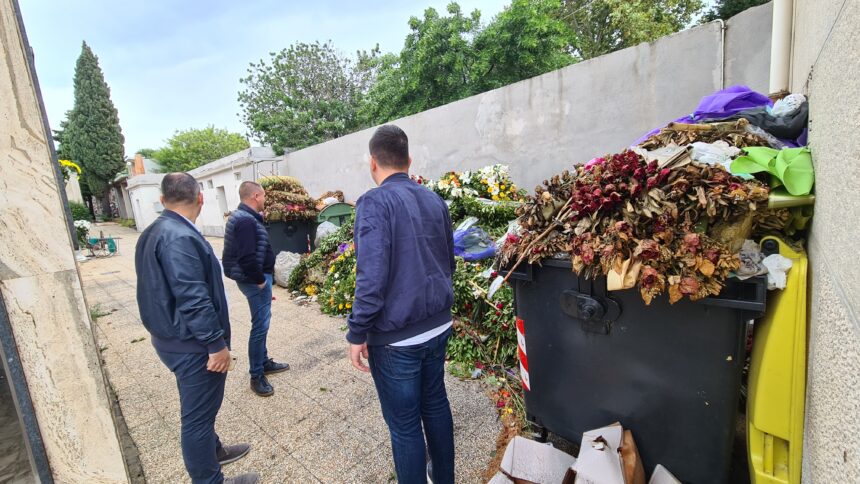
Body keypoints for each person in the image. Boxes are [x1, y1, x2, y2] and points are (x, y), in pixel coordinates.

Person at [347, 125, 456, 484]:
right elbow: (449, 261)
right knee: (435, 404)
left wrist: (357, 332)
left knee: (405, 425)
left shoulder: (374, 202)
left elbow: (371, 277)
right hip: (438, 325)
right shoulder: (433, 199)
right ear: (409, 160)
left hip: (397, 339)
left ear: (372, 162)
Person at [135, 173, 258, 484]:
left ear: (162, 200)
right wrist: (216, 345)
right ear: (200, 198)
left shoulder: (154, 230)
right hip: (193, 345)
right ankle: (209, 479)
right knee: (197, 419)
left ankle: (213, 450)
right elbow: (193, 297)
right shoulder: (180, 237)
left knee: (200, 408)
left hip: (172, 337)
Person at [222, 181, 290, 397]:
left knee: (262, 322)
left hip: (254, 278)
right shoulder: (245, 221)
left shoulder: (245, 217)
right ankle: (256, 375)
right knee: (260, 326)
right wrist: (259, 279)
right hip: (254, 280)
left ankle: (263, 362)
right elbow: (247, 256)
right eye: (263, 196)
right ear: (255, 196)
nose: (265, 200)